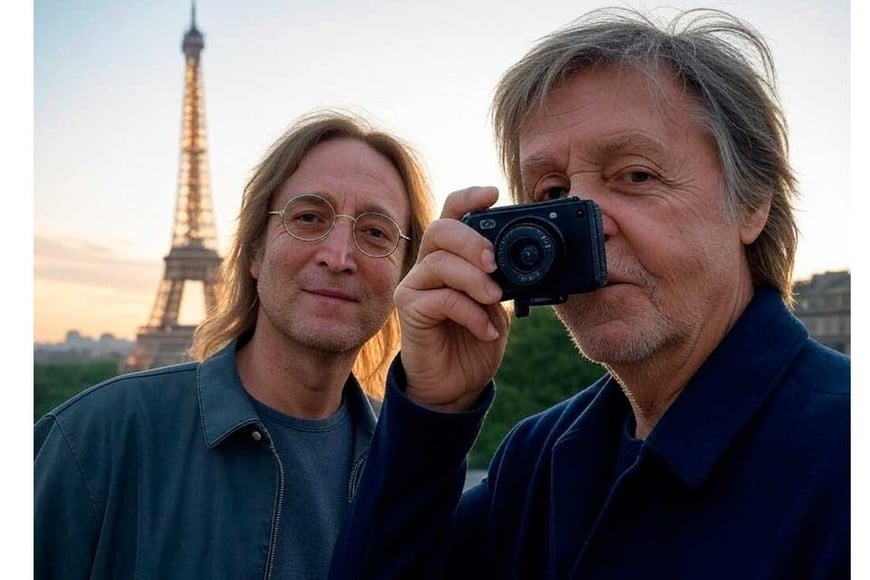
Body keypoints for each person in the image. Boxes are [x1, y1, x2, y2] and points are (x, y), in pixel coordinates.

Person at [330, 8, 850, 579]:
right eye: (552, 191)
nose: (583, 224)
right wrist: (430, 415)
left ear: (753, 204)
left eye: (636, 175)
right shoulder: (538, 460)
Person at [34, 110, 435, 579]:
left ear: (404, 274)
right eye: (308, 218)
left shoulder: (411, 467)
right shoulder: (93, 440)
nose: (339, 256)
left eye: (375, 233)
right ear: (254, 253)